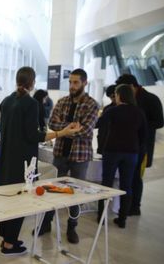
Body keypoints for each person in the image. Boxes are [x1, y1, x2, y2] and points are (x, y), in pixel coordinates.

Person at [0, 66, 81, 255]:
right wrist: (63, 132)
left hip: (6, 160)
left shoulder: (6, 101)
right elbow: (33, 136)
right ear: (33, 82)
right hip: (23, 163)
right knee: (19, 202)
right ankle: (9, 245)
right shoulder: (30, 104)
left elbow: (3, 130)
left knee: (8, 200)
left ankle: (6, 239)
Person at [37, 68, 99, 244]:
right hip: (60, 154)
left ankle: (72, 227)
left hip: (80, 156)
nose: (72, 86)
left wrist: (63, 131)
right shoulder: (62, 101)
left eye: (76, 82)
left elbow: (86, 130)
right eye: (70, 82)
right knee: (52, 190)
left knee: (76, 193)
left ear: (84, 83)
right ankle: (46, 223)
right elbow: (52, 123)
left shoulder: (92, 104)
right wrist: (69, 129)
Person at [96, 84, 147, 228]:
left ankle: (102, 216)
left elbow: (98, 124)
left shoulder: (113, 111)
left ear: (119, 95)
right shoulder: (139, 112)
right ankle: (122, 219)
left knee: (106, 184)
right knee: (127, 185)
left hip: (112, 151)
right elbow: (144, 136)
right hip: (131, 153)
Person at [115, 74, 164, 216]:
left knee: (136, 177)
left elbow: (160, 122)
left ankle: (135, 207)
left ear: (132, 86)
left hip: (141, 147)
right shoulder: (129, 99)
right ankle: (124, 206)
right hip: (125, 146)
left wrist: (139, 125)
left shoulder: (151, 99)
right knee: (125, 177)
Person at [96, 85, 116, 155]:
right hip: (104, 141)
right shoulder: (107, 108)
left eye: (113, 96)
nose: (112, 99)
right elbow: (100, 122)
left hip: (115, 145)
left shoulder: (126, 109)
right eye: (110, 97)